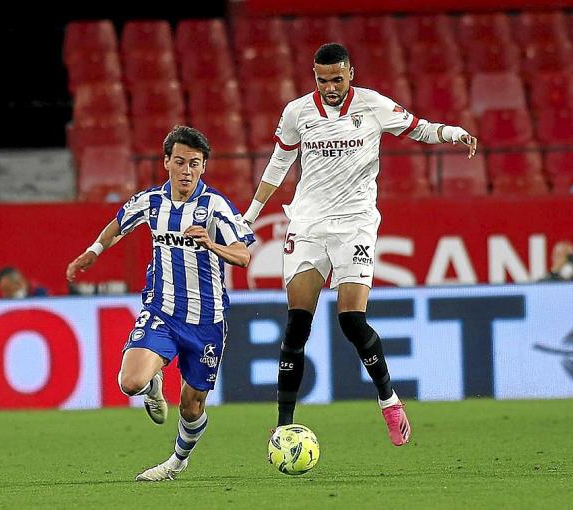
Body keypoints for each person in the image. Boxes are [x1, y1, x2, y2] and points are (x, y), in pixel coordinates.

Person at [242, 43, 478, 447]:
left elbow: (417, 126)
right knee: (298, 323)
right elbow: (279, 164)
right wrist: (249, 216)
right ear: (313, 76)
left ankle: (389, 400)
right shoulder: (297, 112)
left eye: (337, 78)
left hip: (354, 225)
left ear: (350, 72)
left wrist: (453, 133)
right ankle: (283, 426)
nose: (330, 87)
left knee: (351, 320)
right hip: (309, 223)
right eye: (322, 80)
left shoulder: (372, 106)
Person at [66, 126, 254, 481]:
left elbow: (243, 256)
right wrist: (92, 252)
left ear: (203, 167)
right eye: (180, 162)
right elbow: (118, 224)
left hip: (206, 320)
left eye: (194, 164)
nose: (186, 170)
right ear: (166, 161)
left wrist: (212, 245)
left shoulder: (216, 206)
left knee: (191, 404)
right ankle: (153, 383)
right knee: (130, 382)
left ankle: (176, 463)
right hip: (162, 311)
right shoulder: (150, 201)